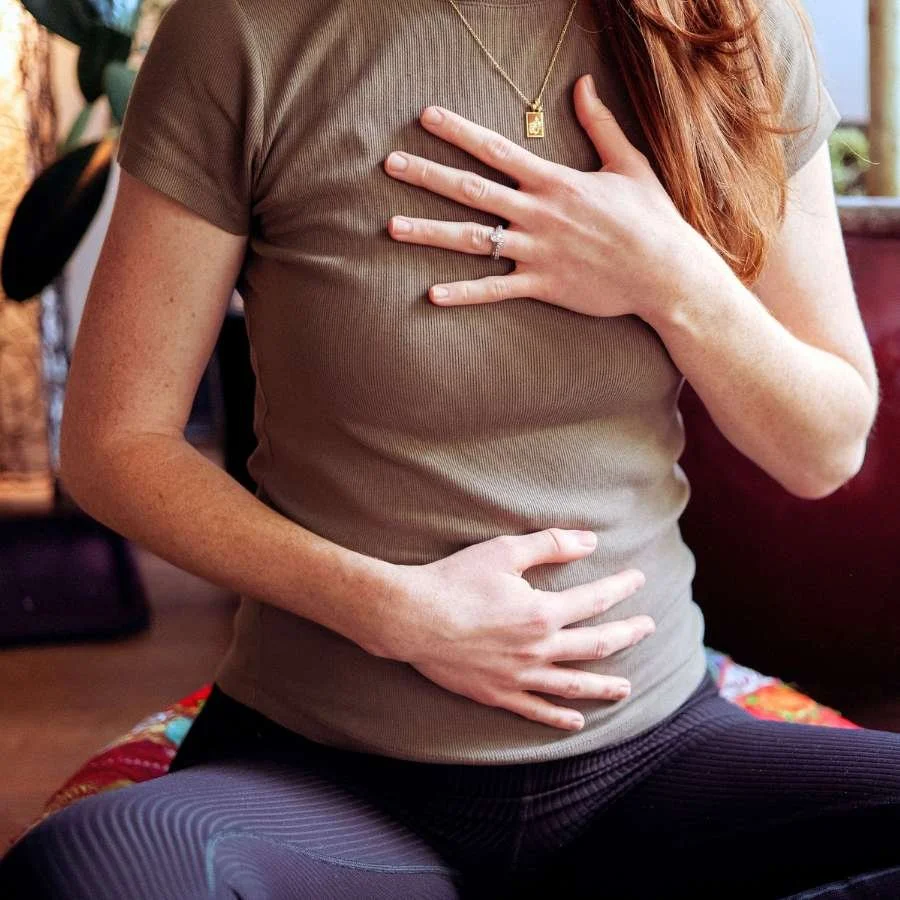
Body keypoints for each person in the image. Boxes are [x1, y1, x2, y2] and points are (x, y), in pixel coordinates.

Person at [1, 0, 896, 896]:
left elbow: (823, 449)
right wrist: (395, 613)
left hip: (653, 761)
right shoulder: (243, 30)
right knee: (88, 872)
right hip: (325, 774)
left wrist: (671, 276)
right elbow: (116, 444)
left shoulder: (731, 29)